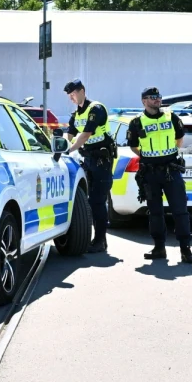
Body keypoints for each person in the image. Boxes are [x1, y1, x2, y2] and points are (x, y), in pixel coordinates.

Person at [125, 87, 192, 265]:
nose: (157, 100)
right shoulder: (136, 122)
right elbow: (133, 145)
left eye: (159, 97)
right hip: (150, 172)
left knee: (180, 210)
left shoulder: (171, 117)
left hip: (171, 170)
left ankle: (185, 250)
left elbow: (179, 139)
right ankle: (159, 248)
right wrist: (149, 155)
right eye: (153, 97)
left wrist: (166, 154)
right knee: (155, 212)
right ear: (144, 101)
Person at [64, 79, 112, 254]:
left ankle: (100, 241)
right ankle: (98, 240)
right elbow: (70, 134)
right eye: (69, 96)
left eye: (73, 94)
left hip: (102, 161)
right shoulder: (76, 114)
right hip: (88, 160)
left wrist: (68, 150)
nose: (71, 98)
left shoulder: (96, 109)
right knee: (89, 203)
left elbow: (85, 135)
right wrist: (61, 146)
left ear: (82, 91)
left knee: (97, 202)